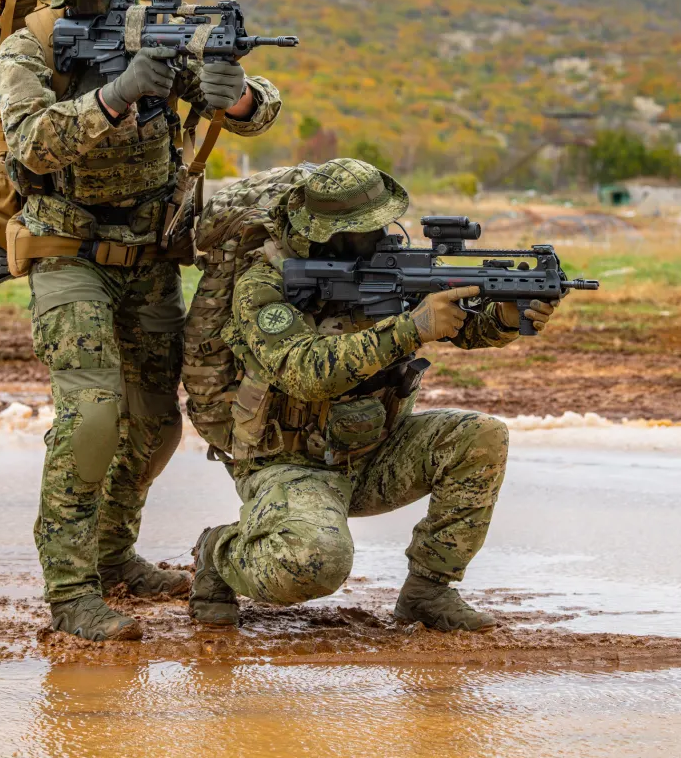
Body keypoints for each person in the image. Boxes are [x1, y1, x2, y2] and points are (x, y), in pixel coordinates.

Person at [0, 0, 282, 642]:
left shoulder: (156, 35)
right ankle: (71, 594)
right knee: (91, 417)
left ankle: (114, 554)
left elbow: (255, 111)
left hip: (148, 256)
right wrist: (113, 95)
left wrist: (237, 92)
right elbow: (29, 141)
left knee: (155, 423)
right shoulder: (28, 48)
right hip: (69, 254)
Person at [189, 158, 557, 633]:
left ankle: (428, 592)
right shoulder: (265, 284)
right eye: (361, 227)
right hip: (290, 461)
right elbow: (305, 372)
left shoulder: (390, 268)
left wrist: (504, 316)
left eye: (378, 222)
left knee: (479, 437)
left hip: (374, 451)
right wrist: (412, 328)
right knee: (313, 563)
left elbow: (462, 328)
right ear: (324, 229)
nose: (377, 234)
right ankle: (220, 553)